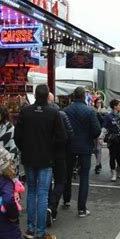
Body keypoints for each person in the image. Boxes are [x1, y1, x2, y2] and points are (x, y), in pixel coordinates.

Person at [14, 84, 66, 239]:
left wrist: (25, 148)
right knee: (43, 193)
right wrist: (51, 149)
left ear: (35, 96)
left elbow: (18, 136)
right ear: (48, 96)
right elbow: (62, 137)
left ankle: (30, 229)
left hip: (29, 158)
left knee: (31, 191)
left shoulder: (25, 112)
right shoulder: (53, 113)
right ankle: (40, 232)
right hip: (46, 158)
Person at [63, 87, 101, 217]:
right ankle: (81, 208)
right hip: (85, 146)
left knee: (67, 174)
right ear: (84, 97)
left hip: (69, 146)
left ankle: (66, 200)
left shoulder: (66, 110)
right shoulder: (90, 111)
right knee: (84, 176)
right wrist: (88, 137)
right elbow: (97, 130)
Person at [47, 92, 74, 225]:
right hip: (60, 154)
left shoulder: (41, 114)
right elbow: (69, 134)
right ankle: (52, 207)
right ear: (52, 100)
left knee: (46, 182)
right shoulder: (61, 114)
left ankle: (48, 208)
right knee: (60, 181)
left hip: (46, 154)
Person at [98, 99, 120, 182]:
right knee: (112, 156)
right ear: (115, 106)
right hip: (112, 140)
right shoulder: (108, 116)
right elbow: (104, 127)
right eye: (119, 105)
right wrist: (101, 137)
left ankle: (119, 169)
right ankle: (113, 173)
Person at [93, 97, 107, 174]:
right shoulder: (92, 110)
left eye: (100, 102)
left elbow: (103, 120)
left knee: (98, 148)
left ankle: (97, 165)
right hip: (93, 132)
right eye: (97, 102)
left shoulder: (104, 111)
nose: (99, 104)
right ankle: (99, 162)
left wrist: (99, 111)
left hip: (101, 131)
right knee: (95, 149)